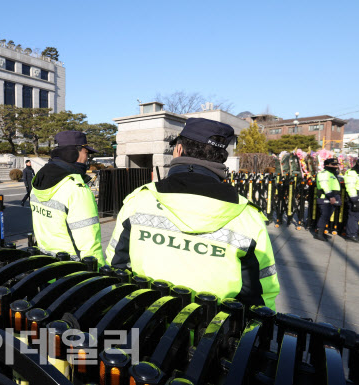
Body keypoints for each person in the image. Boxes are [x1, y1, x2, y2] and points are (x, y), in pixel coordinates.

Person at [105, 118, 280, 310]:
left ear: (179, 149)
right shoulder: (248, 216)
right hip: (214, 332)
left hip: (146, 321)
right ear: (221, 158)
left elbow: (115, 267)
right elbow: (261, 294)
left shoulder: (139, 200)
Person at [30, 130, 104, 264]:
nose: (87, 158)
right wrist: (98, 274)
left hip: (44, 262)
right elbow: (89, 242)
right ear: (73, 152)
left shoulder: (38, 180)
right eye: (86, 153)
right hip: (72, 271)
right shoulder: (76, 188)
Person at [314, 158, 342, 241]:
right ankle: (318, 233)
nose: (335, 166)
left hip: (332, 197)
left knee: (327, 216)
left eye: (336, 165)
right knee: (324, 216)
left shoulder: (332, 173)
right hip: (325, 197)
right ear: (326, 165)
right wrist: (330, 196)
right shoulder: (323, 173)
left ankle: (321, 232)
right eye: (333, 165)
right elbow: (324, 185)